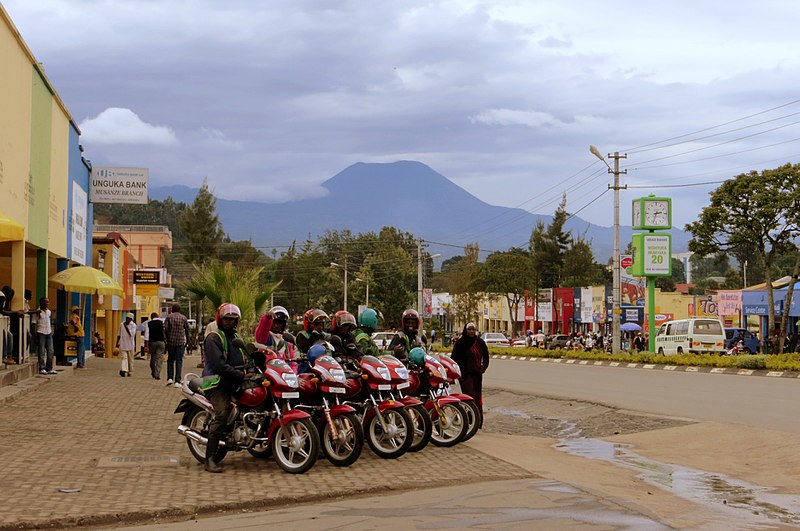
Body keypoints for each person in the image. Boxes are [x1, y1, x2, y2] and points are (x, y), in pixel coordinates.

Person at [202, 303, 248, 473]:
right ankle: (210, 458)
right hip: (216, 383)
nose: (229, 322)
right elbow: (218, 365)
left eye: (233, 320)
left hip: (234, 381)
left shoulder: (236, 337)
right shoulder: (214, 338)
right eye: (227, 319)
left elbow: (245, 359)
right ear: (220, 319)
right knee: (222, 413)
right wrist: (241, 375)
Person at [450, 322, 490, 424]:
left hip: (477, 374)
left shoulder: (480, 342)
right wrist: (458, 374)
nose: (471, 332)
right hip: (465, 375)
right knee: (469, 397)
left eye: (473, 330)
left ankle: (477, 421)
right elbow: (453, 359)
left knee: (477, 397)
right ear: (465, 330)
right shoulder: (460, 344)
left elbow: (486, 356)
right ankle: (468, 419)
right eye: (469, 329)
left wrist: (483, 368)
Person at [255, 306, 298, 370]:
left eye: (279, 323)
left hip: (284, 374)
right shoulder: (267, 338)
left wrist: (294, 374)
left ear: (283, 324)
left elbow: (293, 363)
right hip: (268, 372)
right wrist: (266, 319)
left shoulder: (287, 340)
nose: (276, 325)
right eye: (274, 322)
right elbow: (261, 336)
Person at [164, 303, 190, 387]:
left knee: (170, 360)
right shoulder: (184, 318)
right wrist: (188, 341)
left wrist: (167, 338)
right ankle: (177, 381)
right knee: (179, 361)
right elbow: (187, 330)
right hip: (180, 342)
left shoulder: (169, 317)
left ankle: (170, 378)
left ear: (172, 309)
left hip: (171, 342)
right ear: (179, 310)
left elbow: (165, 329)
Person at [31, 297, 56, 375]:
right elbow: (33, 324)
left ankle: (49, 368)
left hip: (48, 332)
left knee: (51, 351)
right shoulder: (37, 312)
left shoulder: (49, 312)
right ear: (41, 303)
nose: (47, 304)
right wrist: (34, 336)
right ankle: (42, 367)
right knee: (41, 351)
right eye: (46, 302)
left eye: (48, 302)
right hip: (40, 332)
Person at [146, 312, 166, 380]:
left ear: (151, 318)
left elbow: (146, 335)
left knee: (153, 357)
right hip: (161, 342)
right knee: (159, 358)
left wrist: (146, 345)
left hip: (152, 342)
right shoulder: (162, 323)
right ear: (157, 316)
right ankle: (157, 374)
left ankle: (153, 371)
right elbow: (165, 332)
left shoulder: (149, 323)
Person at [116, 313, 137, 377]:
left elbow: (131, 334)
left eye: (129, 319)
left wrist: (126, 326)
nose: (127, 320)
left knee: (130, 359)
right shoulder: (122, 324)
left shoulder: (133, 325)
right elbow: (119, 334)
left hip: (130, 345)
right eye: (127, 318)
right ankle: (124, 370)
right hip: (123, 344)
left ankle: (130, 371)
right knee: (124, 358)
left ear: (131, 319)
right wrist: (116, 343)